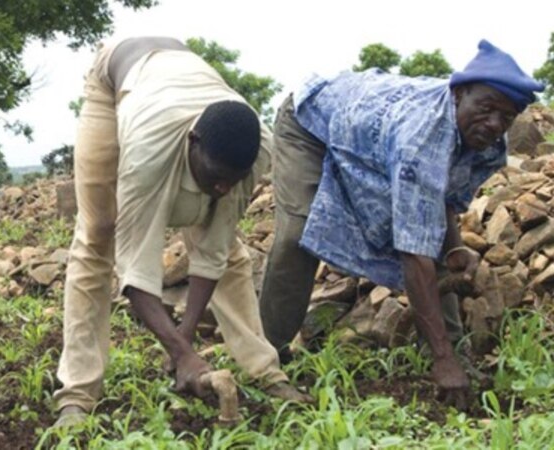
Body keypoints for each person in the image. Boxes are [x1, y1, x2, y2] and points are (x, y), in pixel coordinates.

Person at [258, 39, 545, 407]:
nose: (494, 124)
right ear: (458, 93)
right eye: (486, 108)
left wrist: (455, 245)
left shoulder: (487, 142)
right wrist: (443, 361)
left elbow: (440, 197)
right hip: (311, 124)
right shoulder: (421, 138)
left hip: (369, 142)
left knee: (436, 243)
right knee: (298, 236)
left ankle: (455, 357)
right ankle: (267, 361)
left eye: (506, 117)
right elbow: (414, 255)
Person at [53, 36, 311, 428]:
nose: (224, 188)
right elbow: (136, 273)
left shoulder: (257, 149)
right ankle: (76, 395)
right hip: (116, 78)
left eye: (233, 180)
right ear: (193, 143)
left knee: (230, 255)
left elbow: (213, 248)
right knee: (98, 234)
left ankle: (265, 371)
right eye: (217, 177)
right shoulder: (146, 154)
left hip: (177, 74)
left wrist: (182, 344)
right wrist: (182, 352)